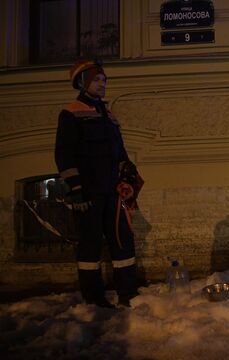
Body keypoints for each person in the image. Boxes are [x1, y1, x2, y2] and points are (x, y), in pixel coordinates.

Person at [55, 59, 140, 308]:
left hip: (113, 192)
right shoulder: (71, 113)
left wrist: (127, 171)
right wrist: (77, 189)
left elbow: (119, 151)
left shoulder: (109, 115)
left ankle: (128, 294)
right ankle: (93, 298)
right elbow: (64, 154)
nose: (102, 84)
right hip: (89, 193)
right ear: (83, 83)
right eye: (97, 80)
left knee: (122, 241)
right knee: (90, 245)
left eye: (104, 80)